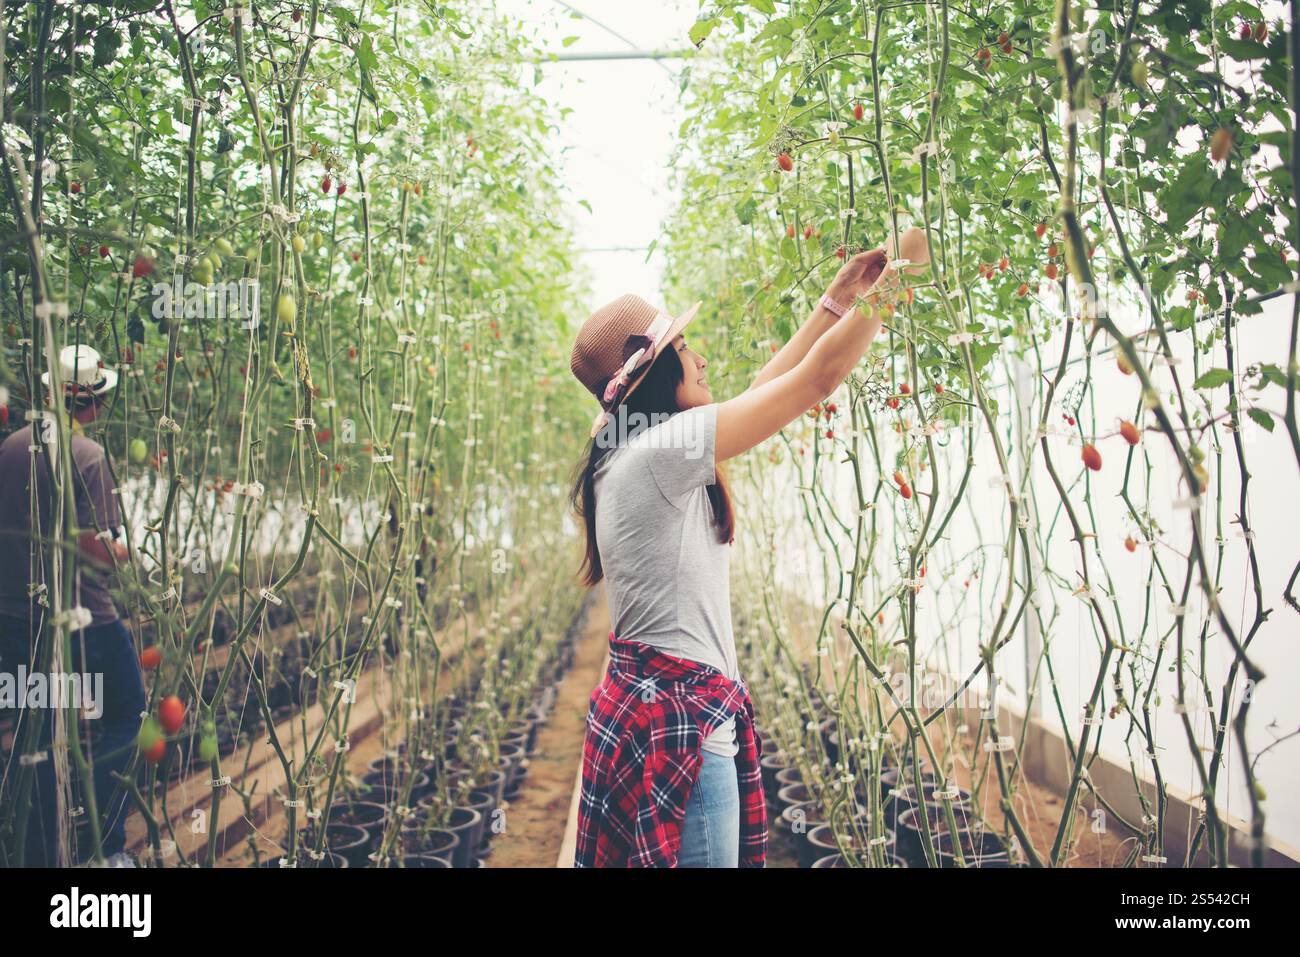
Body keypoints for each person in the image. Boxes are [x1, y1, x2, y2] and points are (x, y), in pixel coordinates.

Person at [568, 227, 931, 867]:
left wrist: (836, 302)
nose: (701, 359)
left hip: (647, 715)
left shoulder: (628, 450)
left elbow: (760, 394)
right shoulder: (662, 452)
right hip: (680, 733)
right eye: (685, 347)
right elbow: (816, 381)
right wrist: (900, 274)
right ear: (653, 374)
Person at [0, 343, 144, 867]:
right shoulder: (87, 455)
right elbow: (94, 549)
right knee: (128, 712)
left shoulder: (11, 447)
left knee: (35, 724)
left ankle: (40, 853)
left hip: (15, 616)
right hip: (81, 616)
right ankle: (104, 847)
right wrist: (128, 550)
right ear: (93, 404)